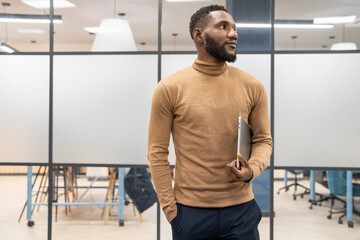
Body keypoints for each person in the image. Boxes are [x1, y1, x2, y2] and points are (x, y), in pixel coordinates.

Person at [147, 4, 272, 240]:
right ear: (198, 35)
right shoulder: (169, 88)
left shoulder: (253, 86)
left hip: (242, 212)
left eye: (234, 28)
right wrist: (171, 211)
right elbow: (156, 153)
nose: (233, 33)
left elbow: (263, 140)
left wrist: (251, 170)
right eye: (223, 27)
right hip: (189, 214)